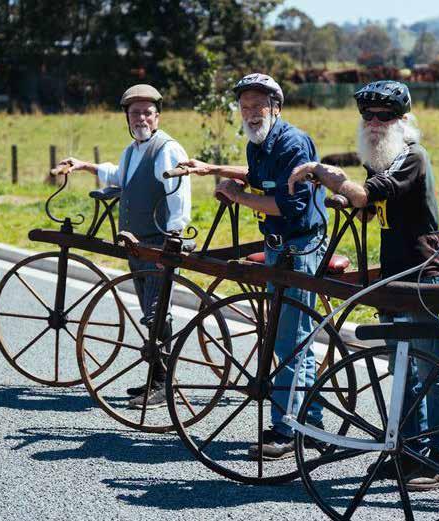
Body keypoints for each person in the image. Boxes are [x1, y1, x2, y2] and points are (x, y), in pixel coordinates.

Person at [288, 80, 439, 491]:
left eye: (384, 115)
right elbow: (370, 208)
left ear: (403, 119)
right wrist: (344, 197)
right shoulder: (380, 162)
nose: (375, 123)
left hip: (420, 276)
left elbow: (365, 196)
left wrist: (323, 173)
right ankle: (408, 451)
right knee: (401, 369)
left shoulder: (412, 157)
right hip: (391, 277)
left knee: (430, 369)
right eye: (368, 116)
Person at [176, 73, 326, 460]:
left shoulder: (292, 143)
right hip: (279, 245)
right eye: (245, 107)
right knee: (297, 337)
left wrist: (238, 196)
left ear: (276, 108)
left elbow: (289, 207)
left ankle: (285, 431)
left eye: (259, 105)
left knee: (287, 341)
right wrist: (212, 169)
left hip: (299, 246)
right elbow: (257, 177)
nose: (251, 113)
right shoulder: (258, 144)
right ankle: (311, 423)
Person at [59, 84, 191, 409]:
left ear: (157, 117)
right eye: (135, 113)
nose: (141, 118)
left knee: (158, 312)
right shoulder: (132, 151)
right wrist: (86, 166)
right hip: (136, 244)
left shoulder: (167, 149)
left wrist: (173, 239)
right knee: (149, 312)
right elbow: (120, 177)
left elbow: (179, 197)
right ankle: (158, 377)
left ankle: (163, 384)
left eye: (147, 113)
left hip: (158, 242)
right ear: (127, 118)